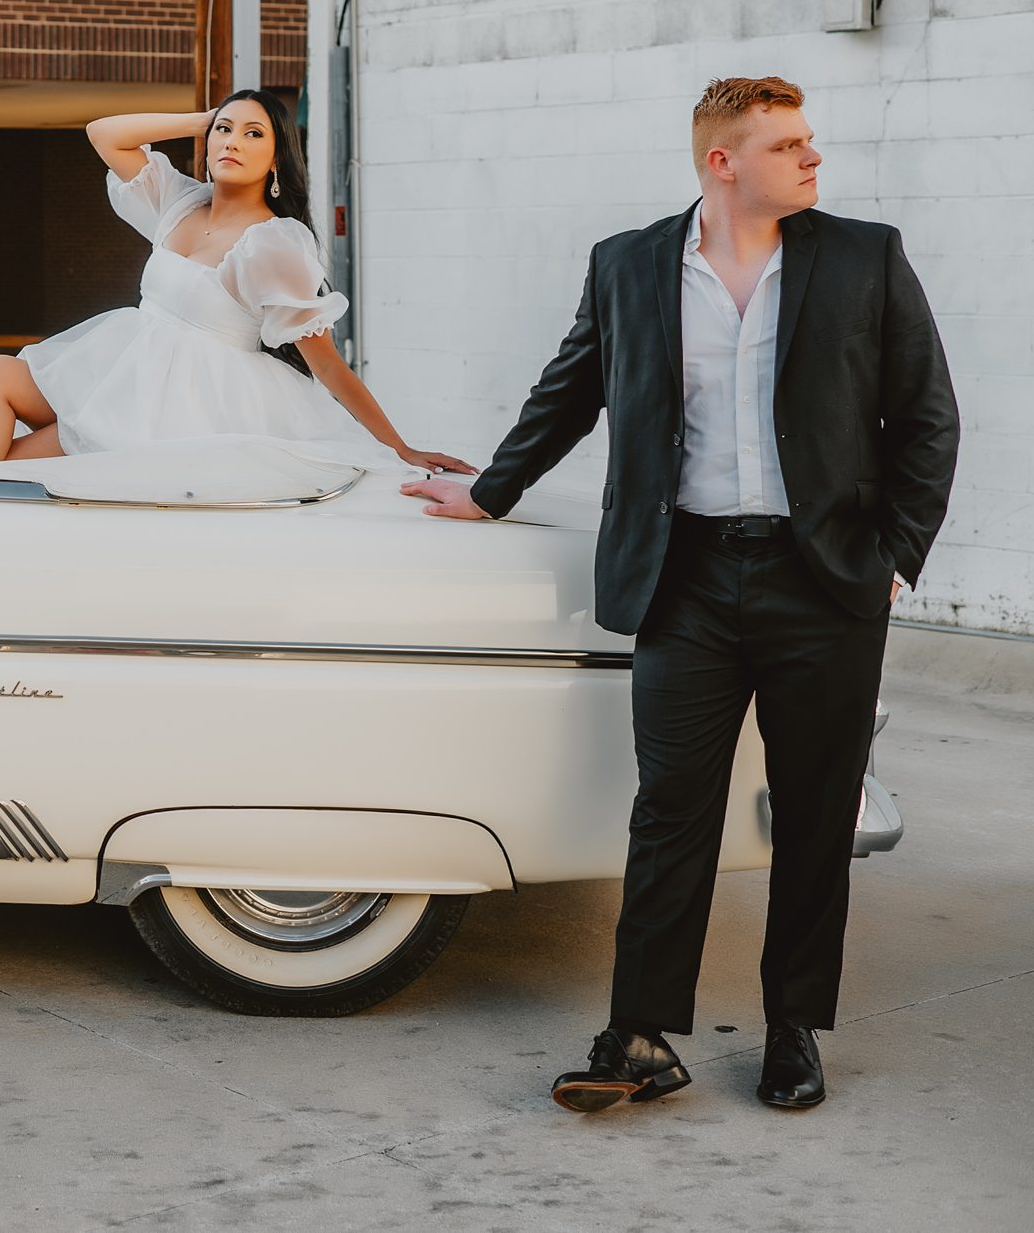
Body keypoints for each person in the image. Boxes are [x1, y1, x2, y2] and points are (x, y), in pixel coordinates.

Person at [402, 76, 959, 1113]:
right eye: (787, 144)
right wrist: (488, 491)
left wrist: (896, 554)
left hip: (823, 578)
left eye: (809, 142)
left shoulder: (863, 257)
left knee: (812, 811)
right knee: (670, 811)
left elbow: (926, 416)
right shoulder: (630, 264)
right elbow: (569, 389)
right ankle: (639, 1033)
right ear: (723, 161)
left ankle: (794, 1029)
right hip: (685, 578)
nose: (812, 158)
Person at [0, 91, 472, 475]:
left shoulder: (274, 243)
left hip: (177, 403)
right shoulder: (180, 200)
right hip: (122, 367)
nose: (233, 141)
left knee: (6, 470)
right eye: (226, 131)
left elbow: (330, 365)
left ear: (277, 159)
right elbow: (104, 132)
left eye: (254, 134)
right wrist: (207, 117)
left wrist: (398, 447)